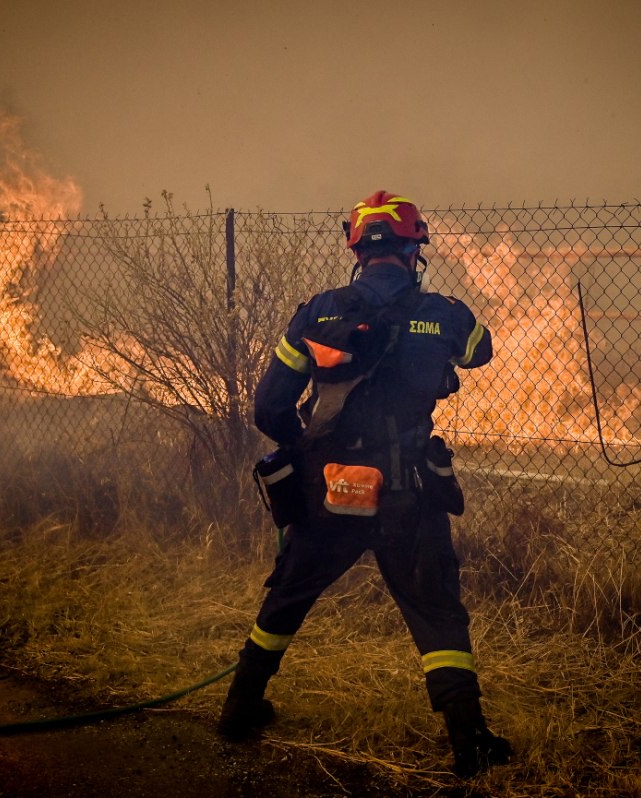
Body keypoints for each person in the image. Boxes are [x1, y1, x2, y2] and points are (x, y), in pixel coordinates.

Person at [219, 190, 513, 778]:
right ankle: (470, 742)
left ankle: (238, 711)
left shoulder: (318, 314)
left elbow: (270, 406)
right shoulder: (446, 315)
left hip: (330, 491)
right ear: (414, 249)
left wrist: (303, 456)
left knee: (289, 594)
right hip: (408, 494)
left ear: (356, 249)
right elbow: (481, 353)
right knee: (436, 611)